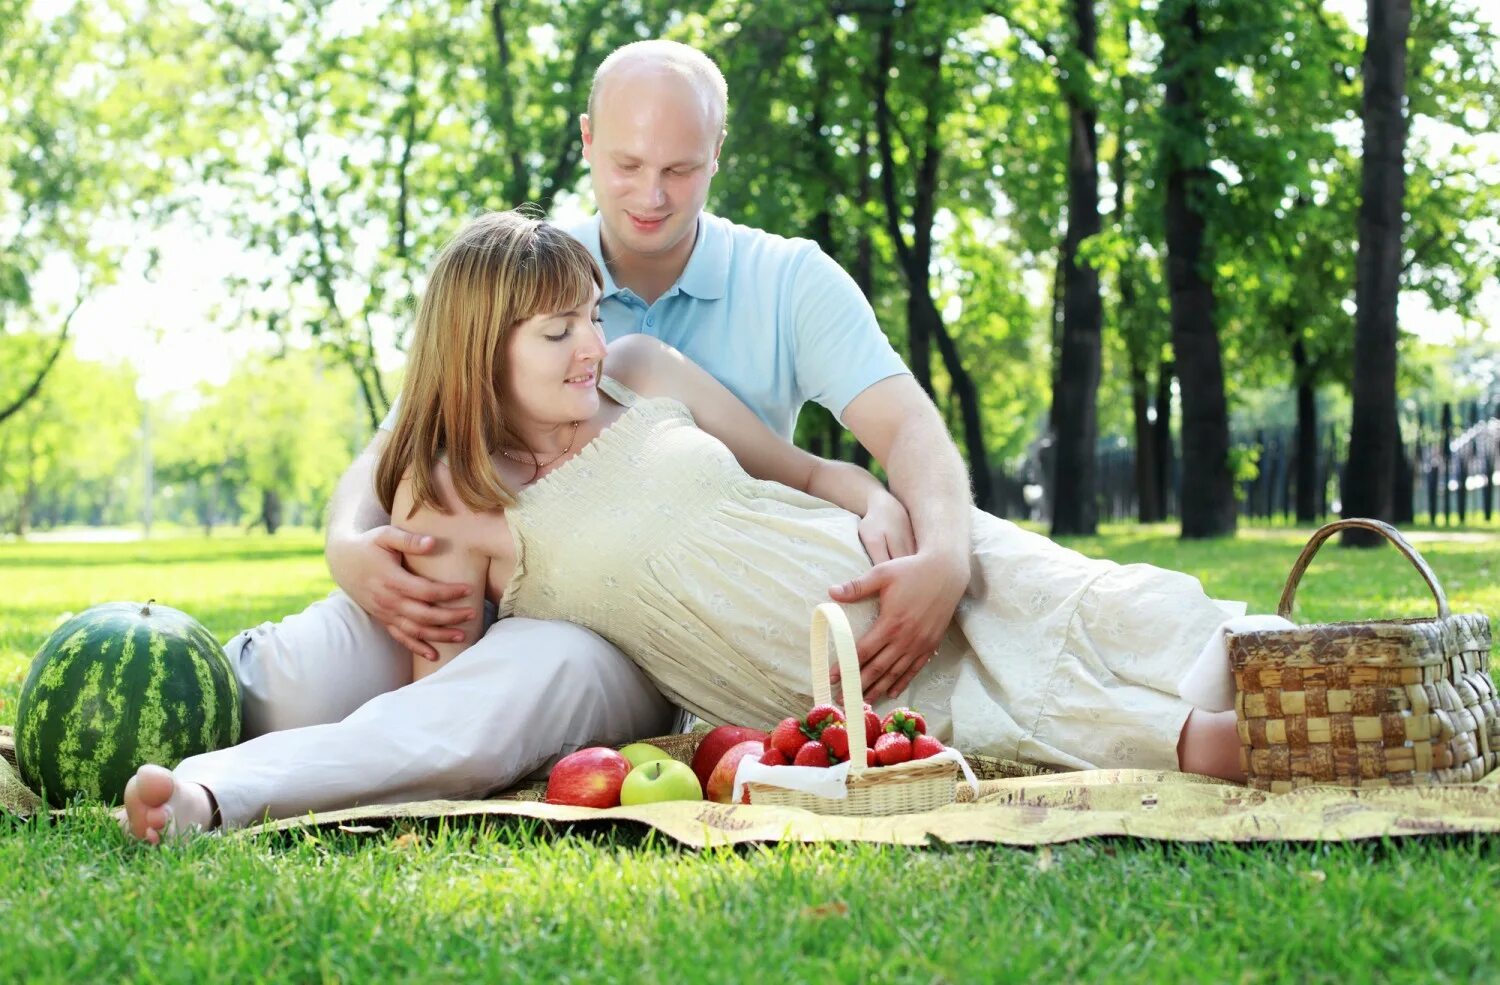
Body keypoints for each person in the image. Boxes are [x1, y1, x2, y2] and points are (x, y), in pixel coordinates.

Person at [122, 213, 1245, 843]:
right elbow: (436, 713)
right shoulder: (461, 507)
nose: (591, 346)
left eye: (591, 318)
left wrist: (882, 507)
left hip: (864, 565)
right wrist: (356, 555)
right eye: (558, 333)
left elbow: (801, 466)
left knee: (1091, 600)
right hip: (788, 658)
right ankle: (216, 787)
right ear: (481, 354)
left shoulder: (646, 370)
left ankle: (1297, 673)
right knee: (992, 710)